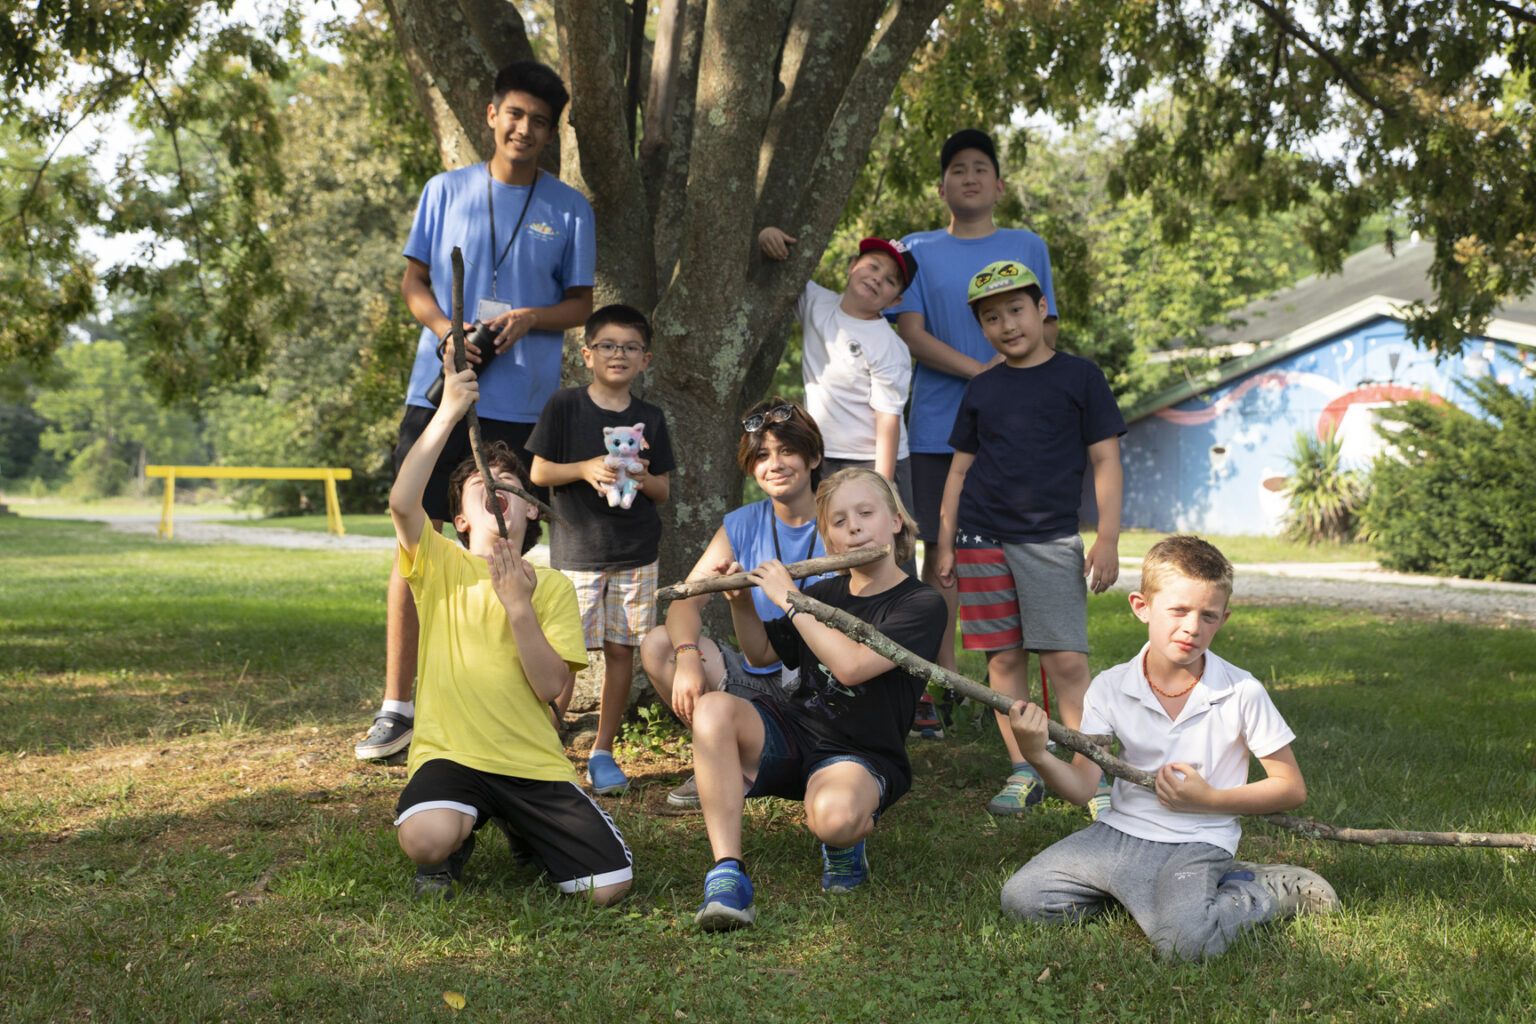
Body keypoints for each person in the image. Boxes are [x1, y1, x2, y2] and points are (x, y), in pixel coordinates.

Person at [356, 60, 597, 761]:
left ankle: (518, 700)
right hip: (441, 393)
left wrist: (530, 318)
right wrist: (445, 332)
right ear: (491, 114)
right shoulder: (444, 189)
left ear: (551, 133)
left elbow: (581, 304)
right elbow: (415, 282)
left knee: (509, 544)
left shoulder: (569, 208)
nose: (525, 129)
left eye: (540, 122)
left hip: (524, 404)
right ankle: (398, 706)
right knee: (416, 541)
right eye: (514, 114)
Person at [999, 536, 1339, 959]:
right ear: (1141, 606)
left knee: (1184, 945)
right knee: (1023, 898)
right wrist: (1036, 755)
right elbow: (1083, 788)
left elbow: (1291, 787)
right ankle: (1153, 899)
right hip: (1118, 835)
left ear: (1223, 619)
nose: (1192, 627)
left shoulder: (1241, 691)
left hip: (1198, 841)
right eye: (1178, 610)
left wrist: (1209, 799)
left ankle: (1259, 891)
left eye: (1208, 616)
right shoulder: (1110, 687)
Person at [389, 362, 631, 905]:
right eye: (481, 482)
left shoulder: (551, 586)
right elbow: (403, 502)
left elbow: (549, 687)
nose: (495, 485)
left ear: (531, 511)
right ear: (460, 519)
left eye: (511, 485)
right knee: (425, 839)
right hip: (451, 756)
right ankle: (457, 836)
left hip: (530, 762)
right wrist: (449, 411)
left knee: (607, 888)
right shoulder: (440, 564)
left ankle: (522, 824)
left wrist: (519, 605)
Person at [691, 468, 946, 930]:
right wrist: (741, 602)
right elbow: (760, 653)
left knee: (835, 820)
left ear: (895, 520)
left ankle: (844, 841)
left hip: (861, 752)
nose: (854, 528)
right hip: (796, 733)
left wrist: (790, 599)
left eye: (865, 513)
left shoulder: (921, 604)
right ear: (829, 538)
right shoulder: (822, 591)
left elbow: (852, 667)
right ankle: (727, 872)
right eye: (839, 521)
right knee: (712, 709)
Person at [935, 260, 1125, 815]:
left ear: (1042, 309)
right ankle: (1025, 769)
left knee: (1067, 662)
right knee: (1002, 662)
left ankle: (1093, 775)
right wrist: (945, 543)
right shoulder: (982, 388)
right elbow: (959, 470)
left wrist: (1108, 537)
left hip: (1050, 540)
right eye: (991, 318)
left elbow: (1105, 459)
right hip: (979, 538)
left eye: (1016, 309)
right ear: (982, 327)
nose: (1007, 324)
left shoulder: (1081, 377)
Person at [890, 128, 1059, 682]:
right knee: (942, 555)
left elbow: (1047, 329)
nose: (969, 177)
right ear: (941, 187)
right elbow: (912, 333)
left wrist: (1012, 386)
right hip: (938, 427)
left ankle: (1011, 681)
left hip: (1017, 427)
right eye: (957, 169)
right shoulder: (916, 250)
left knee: (1020, 549)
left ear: (999, 185)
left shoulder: (1028, 245)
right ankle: (943, 682)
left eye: (980, 168)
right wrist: (984, 374)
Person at [638, 398, 836, 808]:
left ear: (814, 456)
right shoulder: (742, 524)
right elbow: (685, 601)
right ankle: (722, 759)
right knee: (658, 644)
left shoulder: (841, 518)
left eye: (787, 451)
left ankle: (813, 758)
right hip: (759, 678)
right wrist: (688, 657)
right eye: (762, 456)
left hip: (826, 684)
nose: (774, 465)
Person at [527, 304, 675, 796]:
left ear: (645, 359)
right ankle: (545, 743)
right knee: (565, 652)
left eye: (631, 347)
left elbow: (663, 491)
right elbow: (539, 473)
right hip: (578, 552)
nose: (619, 354)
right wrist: (585, 468)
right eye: (608, 345)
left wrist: (641, 476)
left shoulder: (650, 417)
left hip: (637, 553)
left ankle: (602, 752)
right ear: (587, 354)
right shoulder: (565, 406)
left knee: (620, 651)